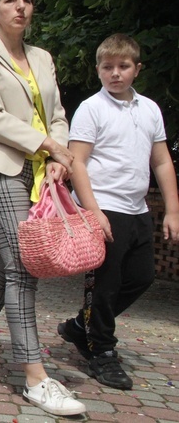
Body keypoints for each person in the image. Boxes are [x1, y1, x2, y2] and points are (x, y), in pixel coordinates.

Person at [0, 0, 85, 416]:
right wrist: (47, 145)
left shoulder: (43, 58)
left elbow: (58, 115)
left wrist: (59, 157)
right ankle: (35, 377)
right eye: (10, 0)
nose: (21, 6)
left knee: (7, 262)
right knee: (24, 266)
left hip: (39, 170)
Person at [58, 34, 179, 390]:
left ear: (136, 69)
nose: (115, 74)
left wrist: (172, 209)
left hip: (138, 209)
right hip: (104, 207)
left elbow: (161, 160)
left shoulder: (150, 109)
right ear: (98, 69)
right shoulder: (92, 108)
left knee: (142, 278)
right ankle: (101, 351)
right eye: (107, 67)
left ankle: (82, 326)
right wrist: (93, 211)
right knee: (105, 286)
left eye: (123, 66)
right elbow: (77, 161)